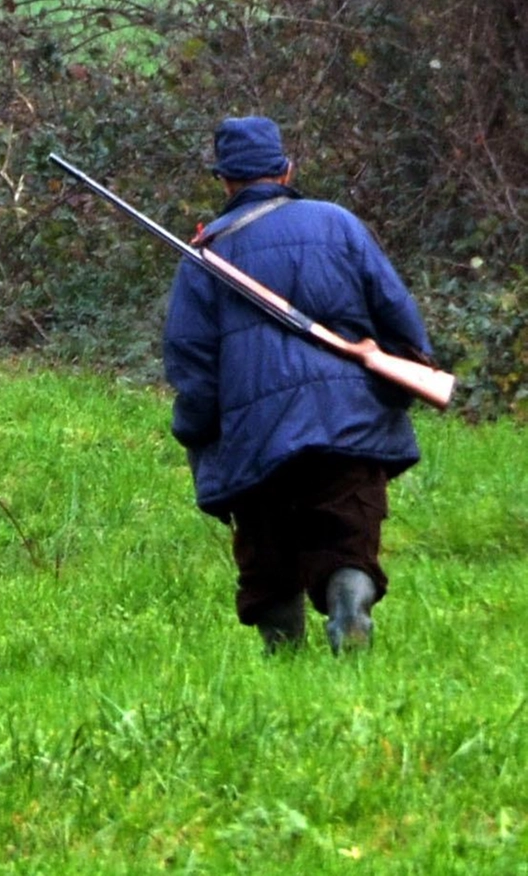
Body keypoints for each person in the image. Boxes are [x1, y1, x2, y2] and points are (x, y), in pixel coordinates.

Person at [163, 116, 436, 655]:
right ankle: (350, 611)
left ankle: (284, 660)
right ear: (287, 169)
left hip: (256, 438)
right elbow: (400, 318)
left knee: (269, 560)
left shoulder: (206, 254)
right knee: (348, 545)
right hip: (349, 425)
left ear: (223, 181)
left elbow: (192, 360)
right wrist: (393, 387)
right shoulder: (339, 224)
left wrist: (198, 431)